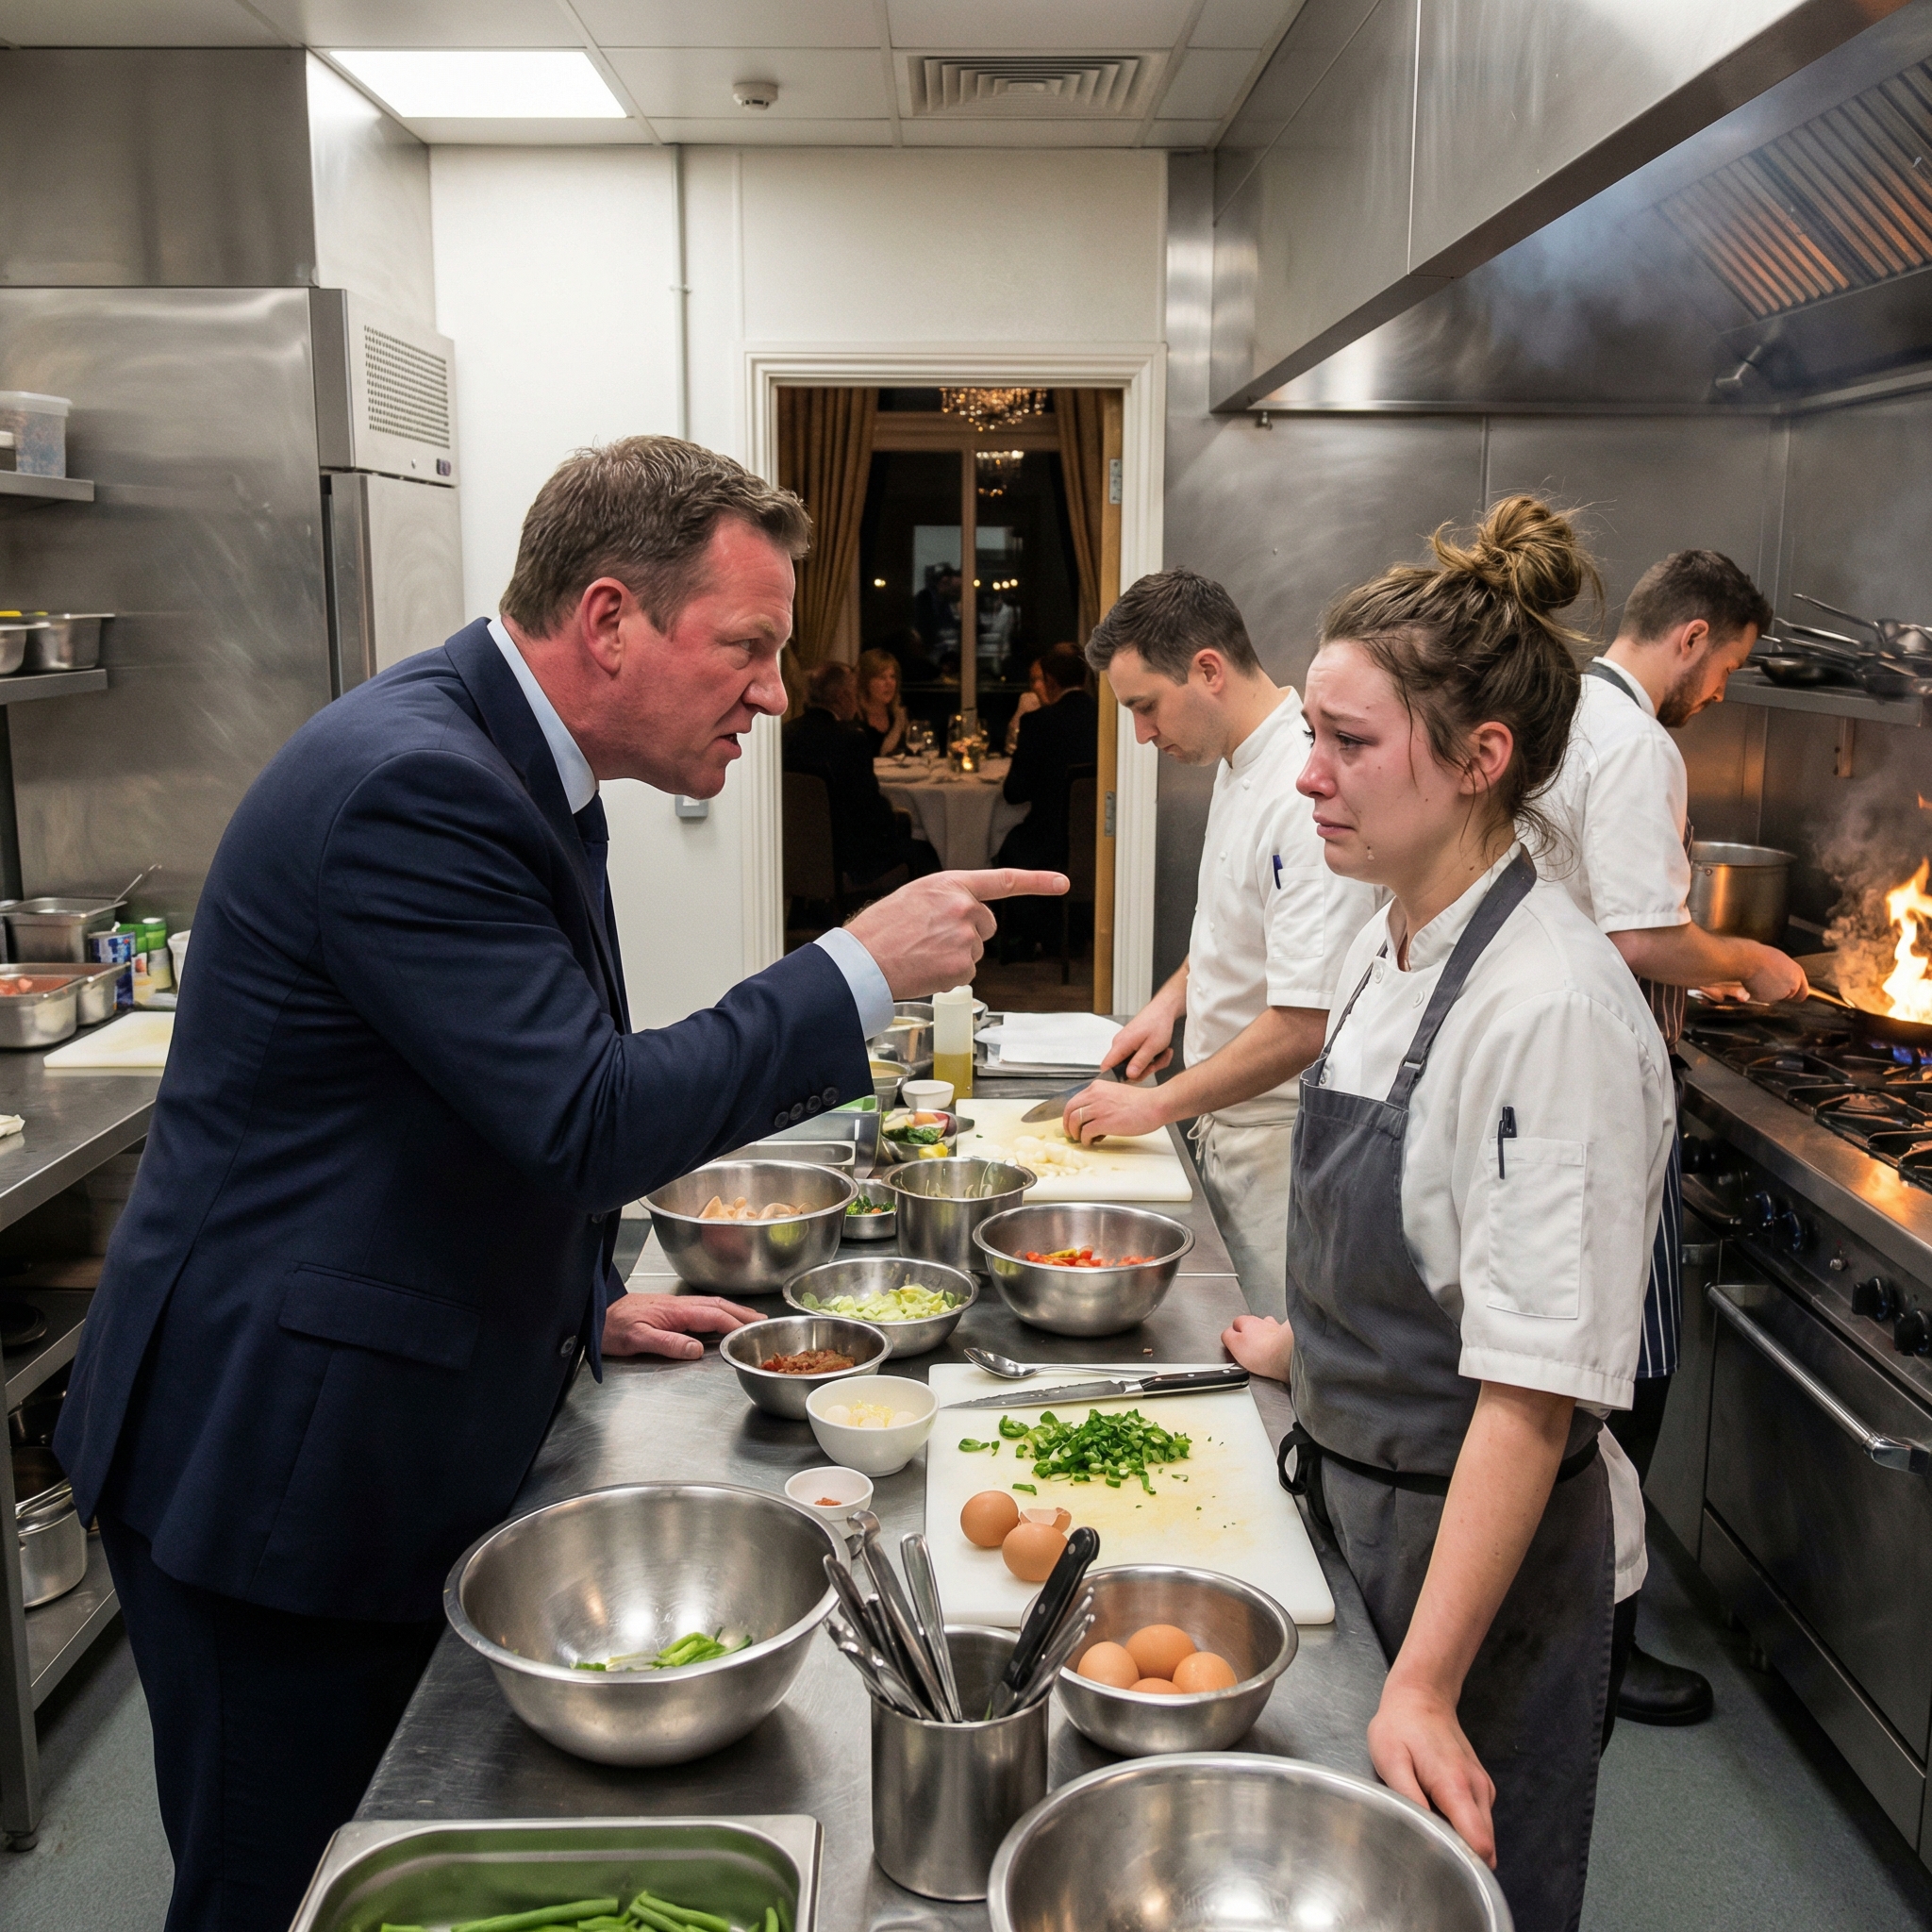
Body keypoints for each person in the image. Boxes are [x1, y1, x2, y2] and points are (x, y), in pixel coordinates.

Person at [55, 435, 1065, 1932]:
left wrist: (581, 1298)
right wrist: (855, 967)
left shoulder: (520, 762)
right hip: (277, 1459)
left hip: (377, 1401)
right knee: (281, 1885)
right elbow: (586, 1112)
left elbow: (474, 1093)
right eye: (749, 646)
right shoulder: (414, 786)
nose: (776, 692)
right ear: (609, 620)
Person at [1223, 497, 1674, 1932]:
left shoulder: (1549, 1009)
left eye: (1350, 744)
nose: (1309, 779)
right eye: (1314, 735)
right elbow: (1435, 1249)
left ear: (1485, 760)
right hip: (1363, 1506)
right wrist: (1314, 1353)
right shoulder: (1392, 932)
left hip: (1476, 1583)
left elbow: (1532, 1397)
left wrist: (1421, 1680)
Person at [1540, 548, 1807, 1728]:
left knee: (1583, 1379)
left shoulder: (1569, 713)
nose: (1719, 697)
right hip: (1596, 1085)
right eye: (1729, 668)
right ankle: (1601, 1649)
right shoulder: (1637, 740)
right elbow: (1644, 935)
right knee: (1625, 1376)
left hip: (1554, 1071)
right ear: (1691, 635)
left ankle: (1574, 1636)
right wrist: (1748, 960)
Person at [1058, 569, 1379, 1318]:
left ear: (1208, 670)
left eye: (1145, 707)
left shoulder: (1302, 794)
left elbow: (1307, 1021)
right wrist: (1168, 1005)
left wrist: (1156, 1105)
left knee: (1272, 1363)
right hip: (1226, 1120)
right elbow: (1235, 931)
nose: (1140, 734)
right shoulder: (1242, 764)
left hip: (1279, 1140)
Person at [783, 659, 939, 891]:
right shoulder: (849, 738)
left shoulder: (786, 732)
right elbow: (868, 808)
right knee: (927, 853)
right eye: (853, 692)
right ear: (841, 696)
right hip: (850, 860)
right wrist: (897, 820)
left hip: (794, 855)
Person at [994, 643, 1097, 953]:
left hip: (1048, 838)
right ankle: (1075, 932)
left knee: (1009, 844)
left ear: (1050, 681)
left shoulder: (1039, 723)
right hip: (1097, 840)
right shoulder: (1107, 721)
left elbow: (1014, 793)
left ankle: (1026, 938)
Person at [855, 645, 909, 757]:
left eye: (892, 677)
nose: (889, 683)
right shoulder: (854, 716)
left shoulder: (900, 716)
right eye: (881, 677)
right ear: (865, 682)